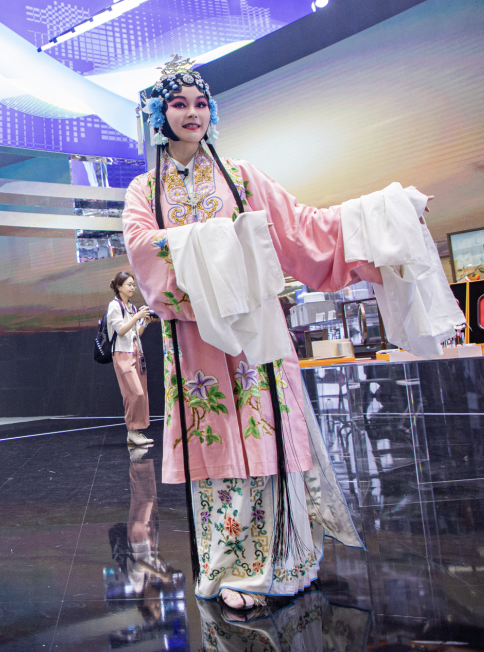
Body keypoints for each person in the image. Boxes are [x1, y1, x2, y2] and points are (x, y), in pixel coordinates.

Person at [123, 56, 386, 613]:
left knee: (267, 433)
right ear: (160, 115)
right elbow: (143, 250)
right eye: (179, 104)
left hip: (255, 335)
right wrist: (220, 249)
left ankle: (286, 561)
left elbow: (299, 227)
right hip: (197, 339)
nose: (192, 114)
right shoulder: (144, 189)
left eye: (201, 104)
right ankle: (231, 566)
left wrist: (377, 220)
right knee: (219, 443)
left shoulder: (241, 176)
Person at [107, 272, 154, 447]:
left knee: (141, 393)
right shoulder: (114, 306)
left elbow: (136, 333)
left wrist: (145, 322)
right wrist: (137, 317)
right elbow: (120, 331)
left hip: (136, 352)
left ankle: (134, 432)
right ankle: (132, 431)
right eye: (129, 284)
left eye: (133, 284)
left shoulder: (132, 308)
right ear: (119, 287)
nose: (133, 288)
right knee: (134, 393)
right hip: (122, 354)